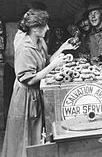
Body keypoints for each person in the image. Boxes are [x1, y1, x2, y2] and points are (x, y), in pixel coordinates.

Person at [2, 9, 78, 157]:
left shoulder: (39, 41)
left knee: (35, 136)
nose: (48, 28)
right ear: (35, 28)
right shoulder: (24, 48)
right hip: (25, 98)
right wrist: (54, 66)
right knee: (23, 138)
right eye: (45, 25)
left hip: (36, 94)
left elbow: (46, 60)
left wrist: (63, 47)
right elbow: (29, 79)